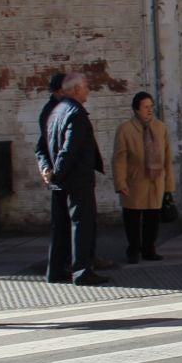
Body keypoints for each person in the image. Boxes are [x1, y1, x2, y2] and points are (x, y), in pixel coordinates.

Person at [40, 73, 108, 286]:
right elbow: (70, 148)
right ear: (76, 89)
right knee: (82, 223)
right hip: (76, 179)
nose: (88, 90)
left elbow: (42, 147)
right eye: (86, 86)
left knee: (60, 225)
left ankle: (55, 270)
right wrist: (57, 172)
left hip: (60, 180)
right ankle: (82, 271)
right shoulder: (76, 113)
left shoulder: (56, 111)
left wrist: (47, 169)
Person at [113, 91, 175, 264]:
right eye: (145, 107)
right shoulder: (125, 129)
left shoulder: (160, 128)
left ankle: (149, 249)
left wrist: (168, 185)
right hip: (134, 180)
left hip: (155, 181)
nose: (149, 110)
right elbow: (119, 159)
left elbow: (167, 158)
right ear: (136, 109)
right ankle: (133, 249)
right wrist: (120, 182)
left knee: (152, 217)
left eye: (151, 107)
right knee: (132, 217)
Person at [33, 71, 65, 186]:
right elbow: (45, 143)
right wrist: (46, 167)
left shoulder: (64, 108)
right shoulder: (52, 112)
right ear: (60, 91)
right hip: (60, 171)